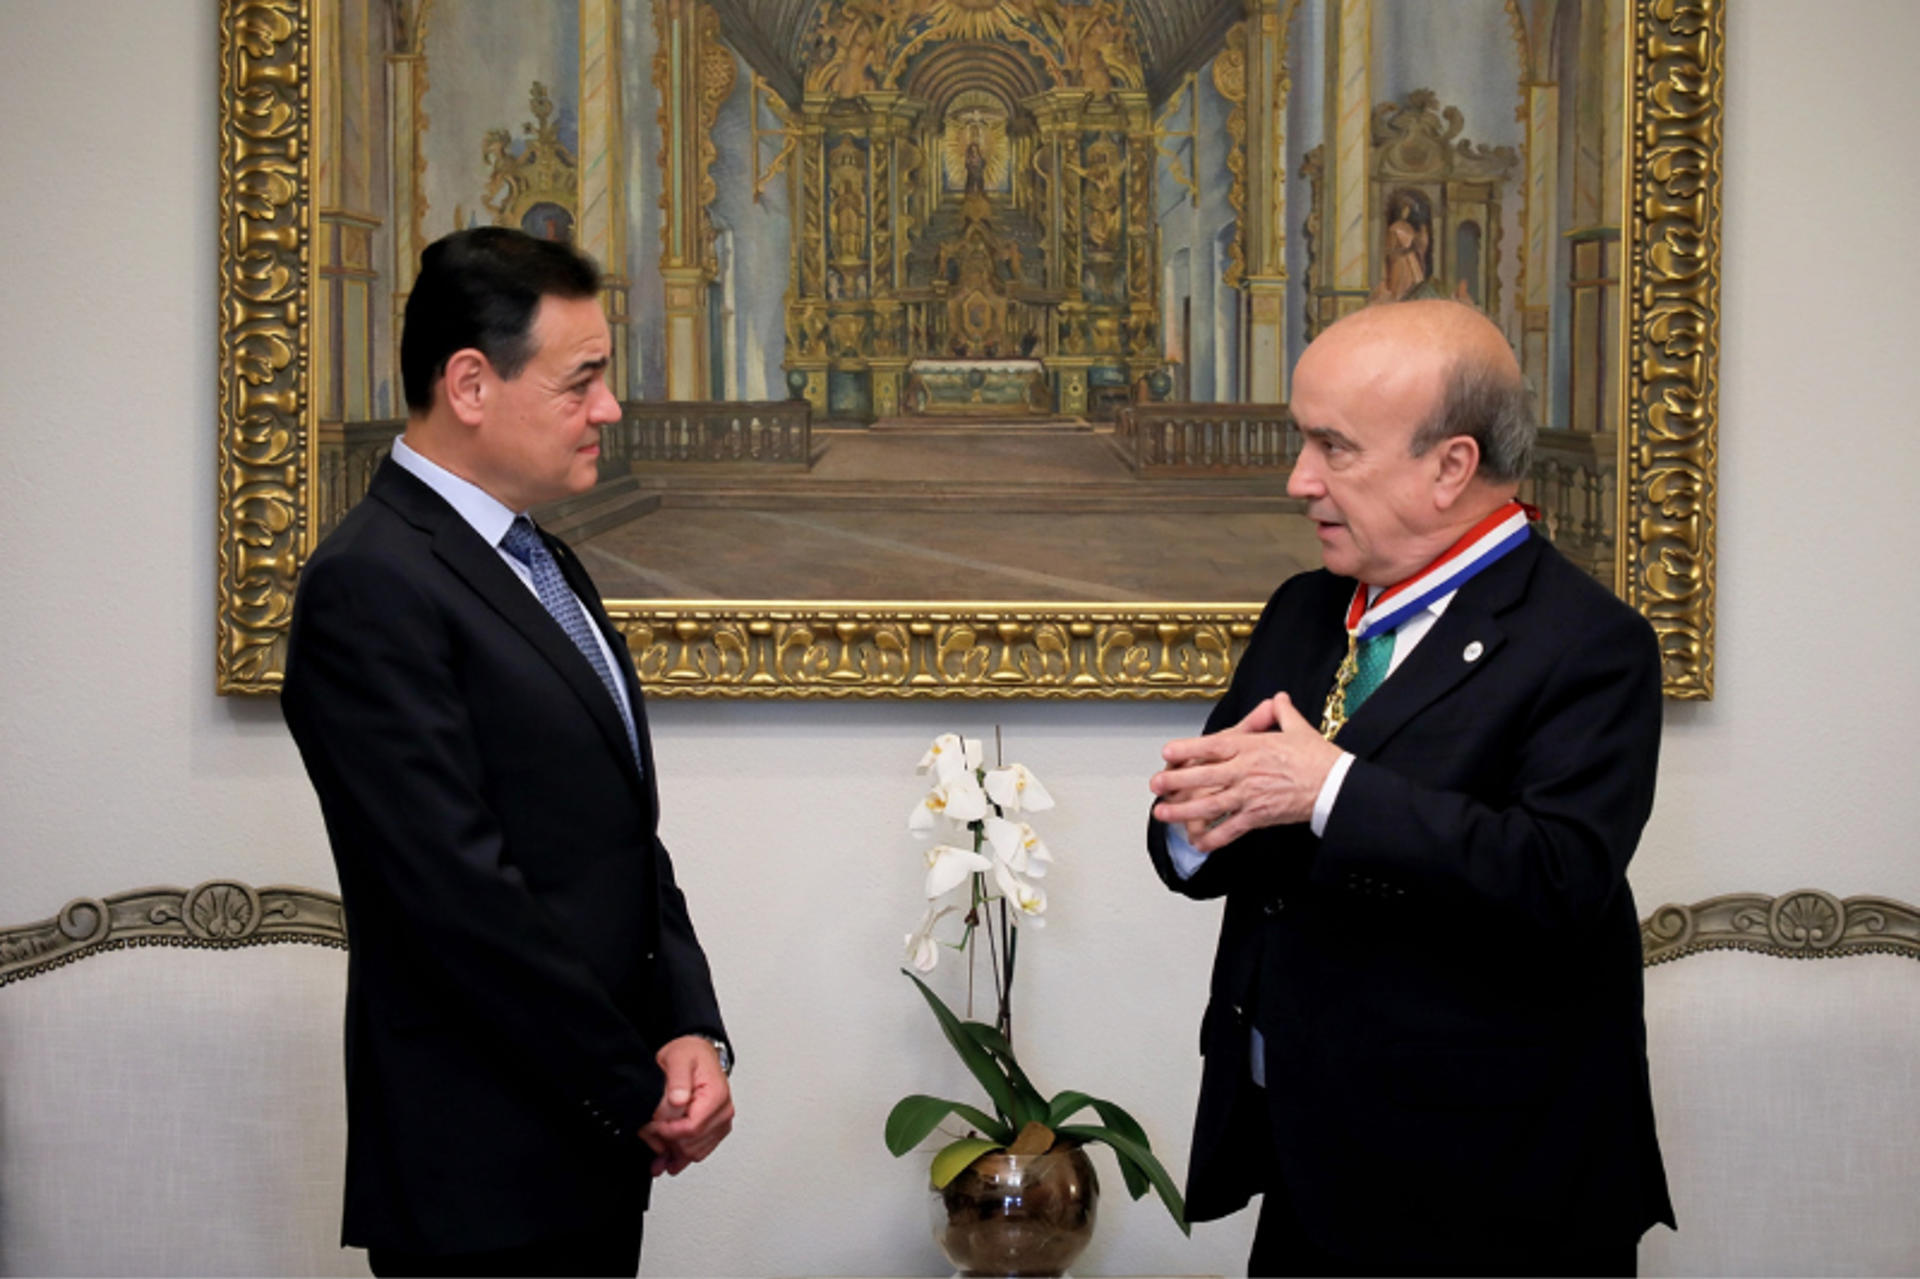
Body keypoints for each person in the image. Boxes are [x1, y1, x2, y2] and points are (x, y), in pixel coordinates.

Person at [1147, 300, 1671, 1276]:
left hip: (1492, 1190)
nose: (1300, 481)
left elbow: (1560, 878)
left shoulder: (1589, 644)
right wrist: (1197, 823)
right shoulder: (1307, 609)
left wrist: (1330, 790)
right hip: (1305, 1158)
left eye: (1334, 449)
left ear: (1451, 467)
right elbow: (1220, 823)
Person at [282, 227, 733, 1278]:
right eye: (582, 381)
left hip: (584, 1156)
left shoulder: (542, 557)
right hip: (478, 1180)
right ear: (471, 384)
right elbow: (459, 897)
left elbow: (624, 835)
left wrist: (689, 1030)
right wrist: (634, 1089)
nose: (610, 409)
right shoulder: (372, 585)